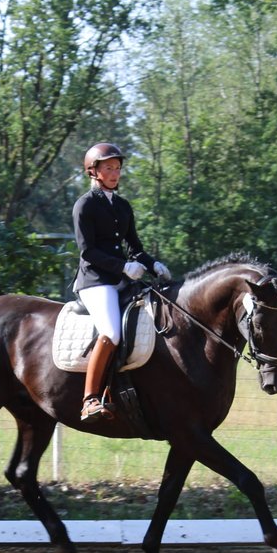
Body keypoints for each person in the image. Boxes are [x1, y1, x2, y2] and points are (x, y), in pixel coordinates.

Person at [71, 142, 171, 423]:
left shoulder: (123, 206)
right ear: (94, 171)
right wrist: (124, 267)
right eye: (109, 168)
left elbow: (135, 247)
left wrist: (153, 265)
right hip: (95, 281)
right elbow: (88, 251)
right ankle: (89, 399)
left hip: (121, 279)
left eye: (117, 168)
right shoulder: (85, 205)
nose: (115, 173)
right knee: (112, 333)